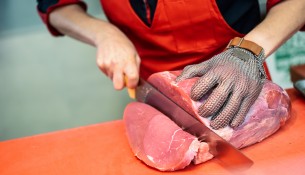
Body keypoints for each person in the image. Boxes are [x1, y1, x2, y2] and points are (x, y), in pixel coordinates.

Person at [36, 0, 305, 129]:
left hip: (240, 83)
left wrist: (247, 52)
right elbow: (57, 6)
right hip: (157, 95)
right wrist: (104, 33)